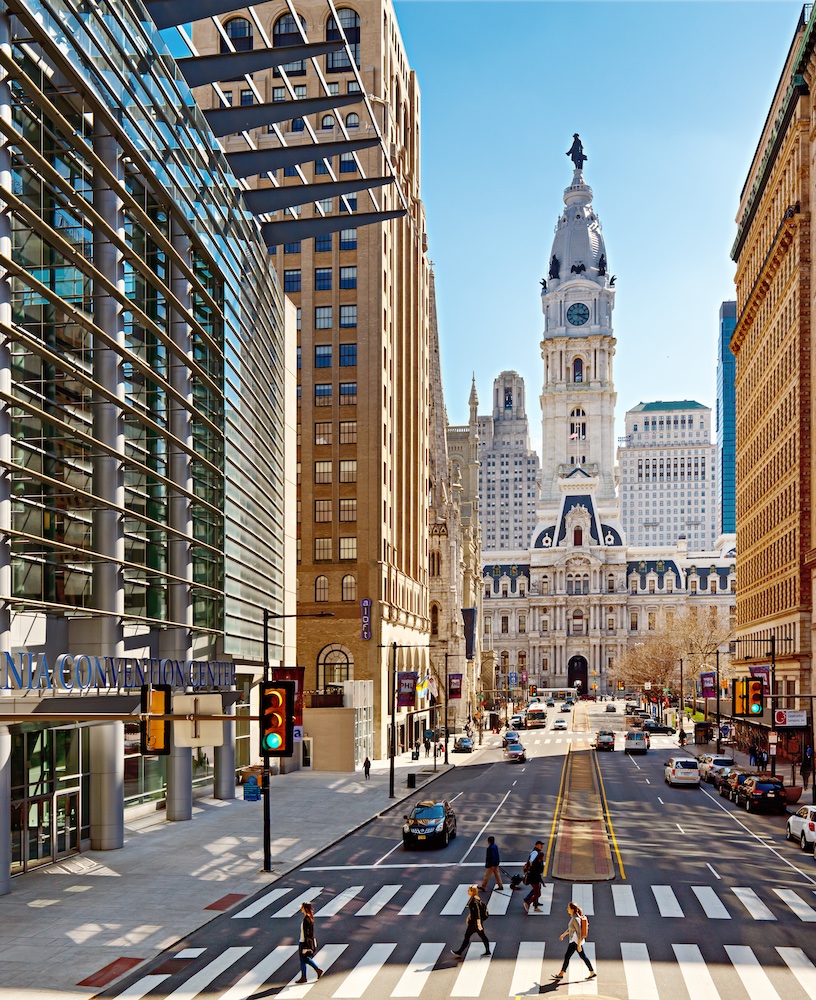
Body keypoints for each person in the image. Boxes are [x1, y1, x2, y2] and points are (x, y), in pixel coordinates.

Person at [552, 901, 595, 981]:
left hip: (575, 941)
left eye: (568, 908)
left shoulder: (575, 919)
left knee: (567, 957)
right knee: (582, 956)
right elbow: (571, 929)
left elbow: (579, 932)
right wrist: (563, 934)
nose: (567, 909)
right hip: (575, 941)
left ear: (572, 909)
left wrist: (578, 945)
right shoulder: (574, 917)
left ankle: (561, 974)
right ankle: (592, 972)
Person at [451, 885, 490, 958]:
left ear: (472, 891)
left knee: (467, 936)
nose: (467, 891)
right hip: (476, 922)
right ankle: (488, 951)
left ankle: (459, 952)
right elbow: (473, 911)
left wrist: (478, 924)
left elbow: (477, 912)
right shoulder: (475, 898)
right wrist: (468, 917)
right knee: (482, 936)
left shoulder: (474, 901)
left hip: (474, 923)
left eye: (469, 890)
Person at [296, 902, 323, 983]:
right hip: (305, 941)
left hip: (303, 942)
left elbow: (307, 934)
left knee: (304, 959)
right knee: (304, 959)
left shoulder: (306, 919)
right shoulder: (309, 918)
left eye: (302, 907)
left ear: (304, 908)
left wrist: (305, 946)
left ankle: (309, 974)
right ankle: (308, 975)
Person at [523, 848, 544, 913]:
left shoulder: (536, 862)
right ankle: (527, 903)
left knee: (536, 893)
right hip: (535, 880)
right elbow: (538, 874)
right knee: (537, 894)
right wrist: (542, 882)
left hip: (534, 880)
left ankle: (535, 907)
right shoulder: (537, 864)